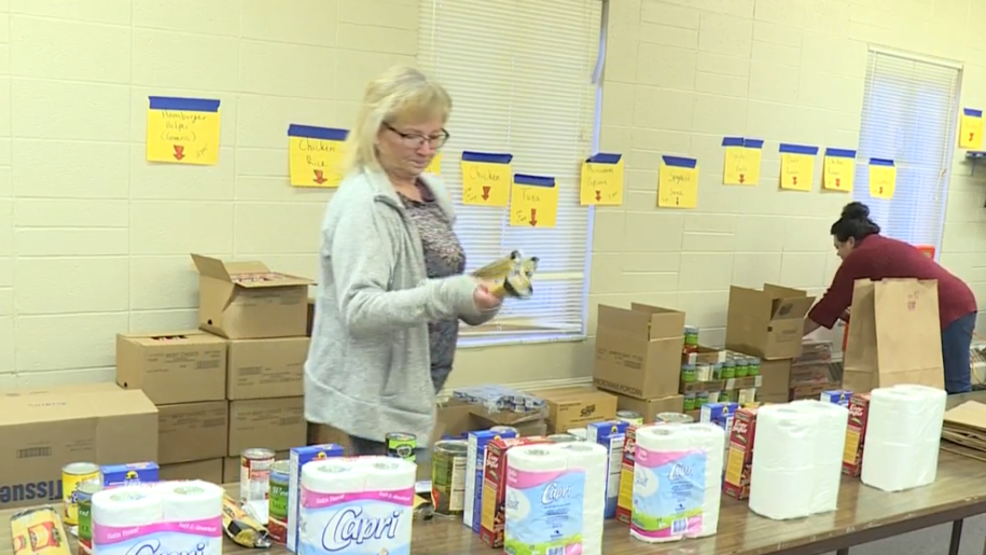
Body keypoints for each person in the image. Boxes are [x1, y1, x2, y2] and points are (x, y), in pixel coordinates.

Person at [304, 66, 502, 455]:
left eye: (435, 137)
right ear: (377, 131)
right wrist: (450, 294)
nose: (425, 149)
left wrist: (480, 299)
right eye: (412, 136)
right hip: (377, 395)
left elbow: (441, 282)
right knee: (387, 504)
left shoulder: (431, 193)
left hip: (421, 383)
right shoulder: (365, 203)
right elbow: (360, 308)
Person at [804, 202, 978, 394]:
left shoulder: (861, 256)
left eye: (838, 246)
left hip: (951, 310)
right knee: (933, 383)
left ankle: (964, 418)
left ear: (851, 241)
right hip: (944, 305)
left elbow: (830, 303)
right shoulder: (879, 246)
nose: (838, 253)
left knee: (954, 382)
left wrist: (792, 334)